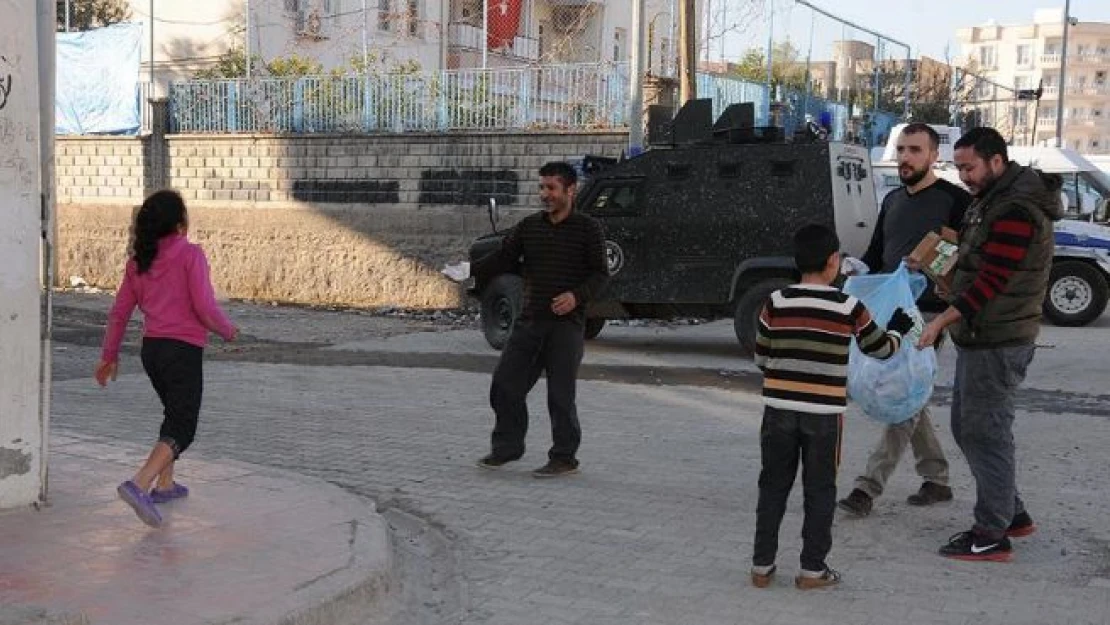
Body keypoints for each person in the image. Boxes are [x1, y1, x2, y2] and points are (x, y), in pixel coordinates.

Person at [915, 127, 1062, 562]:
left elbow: (992, 282)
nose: (963, 176)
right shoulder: (992, 199)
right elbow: (974, 260)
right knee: (971, 427)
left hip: (999, 338)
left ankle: (991, 533)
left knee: (986, 432)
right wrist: (935, 261)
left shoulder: (1016, 208)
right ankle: (1012, 512)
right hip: (982, 335)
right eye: (958, 167)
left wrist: (941, 319)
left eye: (969, 167)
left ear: (997, 161)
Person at [751, 224, 914, 590]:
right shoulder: (849, 306)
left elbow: (761, 356)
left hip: (777, 410)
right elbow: (881, 350)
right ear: (833, 262)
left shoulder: (776, 301)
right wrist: (899, 329)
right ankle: (812, 570)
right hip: (823, 416)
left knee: (773, 485)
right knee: (820, 489)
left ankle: (761, 566)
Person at [838, 123, 971, 517]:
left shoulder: (955, 200)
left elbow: (968, 253)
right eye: (901, 150)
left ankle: (867, 487)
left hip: (931, 312)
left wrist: (932, 261)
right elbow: (878, 254)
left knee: (901, 391)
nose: (906, 158)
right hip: (892, 308)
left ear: (934, 156)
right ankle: (937, 479)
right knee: (913, 393)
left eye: (915, 150)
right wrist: (857, 269)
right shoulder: (893, 200)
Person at [96, 190, 238, 527]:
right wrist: (229, 331)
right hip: (182, 351)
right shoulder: (191, 255)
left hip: (153, 352)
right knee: (183, 427)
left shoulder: (138, 262)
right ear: (179, 224)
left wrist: (109, 356)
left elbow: (119, 314)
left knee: (172, 413)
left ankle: (165, 484)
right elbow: (204, 308)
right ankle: (139, 483)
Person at [473, 162, 609, 478]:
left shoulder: (588, 229)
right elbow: (503, 258)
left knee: (560, 396)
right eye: (541, 187)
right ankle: (507, 447)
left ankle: (564, 458)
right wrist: (468, 269)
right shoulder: (530, 226)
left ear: (570, 190)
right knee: (504, 386)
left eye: (551, 188)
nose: (544, 194)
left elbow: (601, 274)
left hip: (566, 327)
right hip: (530, 322)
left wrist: (576, 296)